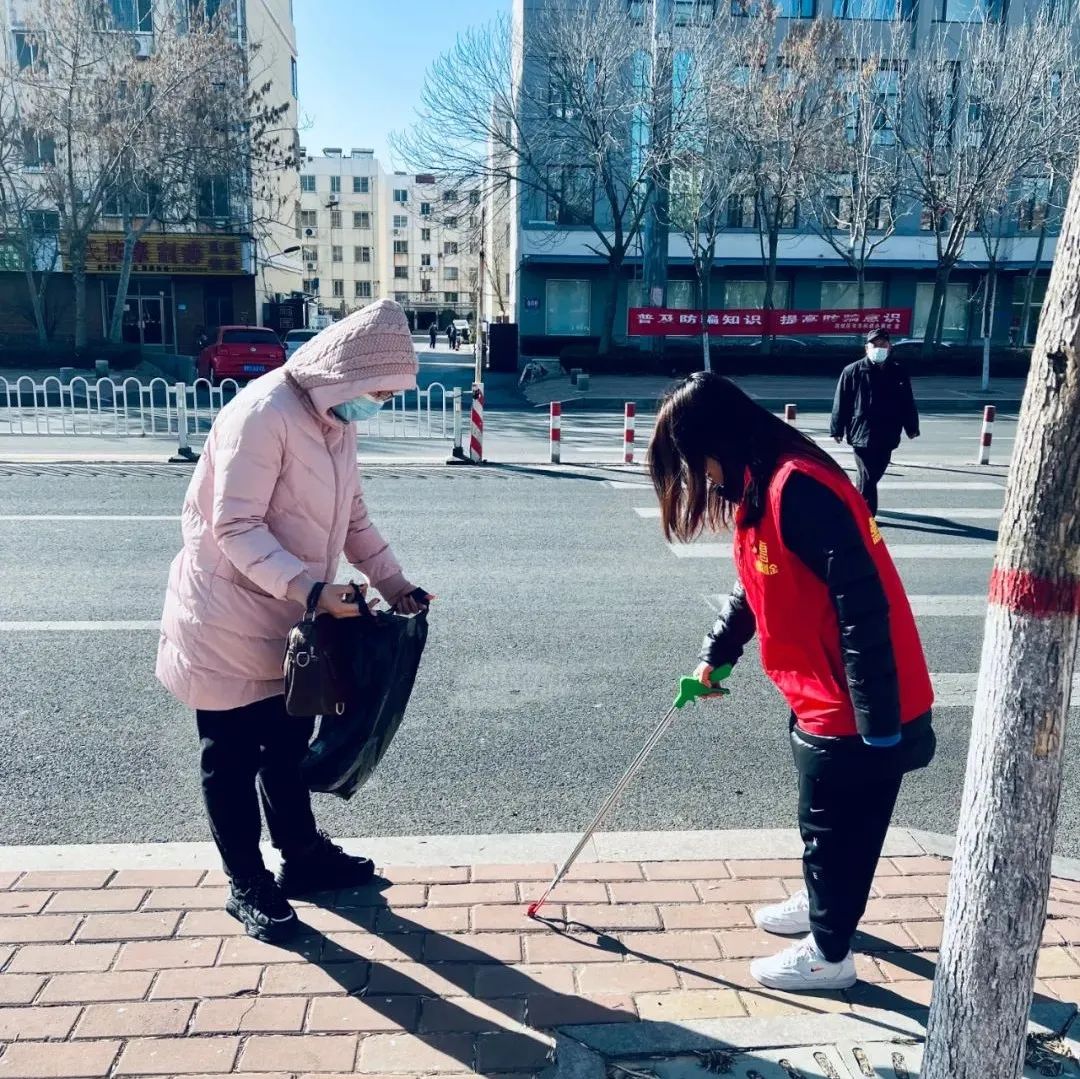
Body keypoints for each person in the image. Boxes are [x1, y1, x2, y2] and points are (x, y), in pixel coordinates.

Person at [157, 299, 433, 944]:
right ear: (349, 375)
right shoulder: (263, 414)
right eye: (381, 392)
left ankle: (302, 857)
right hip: (228, 616)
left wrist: (394, 584)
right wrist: (313, 589)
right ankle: (246, 882)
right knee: (229, 756)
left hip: (296, 619)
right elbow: (235, 527)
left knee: (286, 743)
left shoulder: (334, 420)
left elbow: (354, 516)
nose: (381, 406)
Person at [649, 372, 935, 993]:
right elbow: (753, 583)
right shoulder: (763, 485)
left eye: (696, 466)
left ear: (716, 444)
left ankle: (831, 956)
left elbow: (862, 605)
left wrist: (877, 723)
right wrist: (715, 655)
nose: (702, 483)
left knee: (843, 830)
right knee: (821, 824)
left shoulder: (798, 488)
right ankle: (821, 907)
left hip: (858, 703)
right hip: (820, 692)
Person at [830, 329, 920, 516]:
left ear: (889, 347)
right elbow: (842, 401)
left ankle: (854, 504)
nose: (878, 348)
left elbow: (907, 402)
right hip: (861, 433)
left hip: (888, 433)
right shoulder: (852, 371)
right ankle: (866, 517)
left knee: (872, 474)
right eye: (874, 345)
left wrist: (911, 427)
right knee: (868, 477)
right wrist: (837, 429)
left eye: (883, 345)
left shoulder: (898, 372)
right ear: (866, 348)